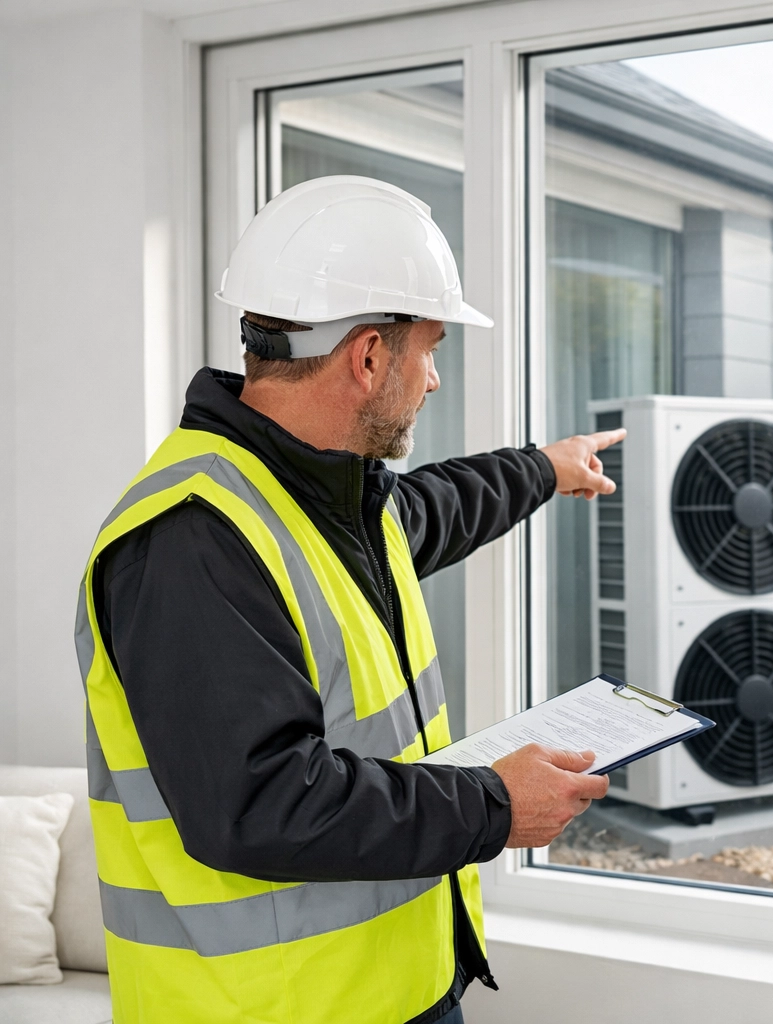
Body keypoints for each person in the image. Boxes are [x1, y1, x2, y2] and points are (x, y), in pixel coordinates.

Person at [76, 176, 614, 1024]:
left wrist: (546, 468)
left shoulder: (328, 500)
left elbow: (437, 507)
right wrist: (495, 804)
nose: (434, 380)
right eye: (430, 349)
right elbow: (258, 804)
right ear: (367, 355)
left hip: (398, 991)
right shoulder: (192, 538)